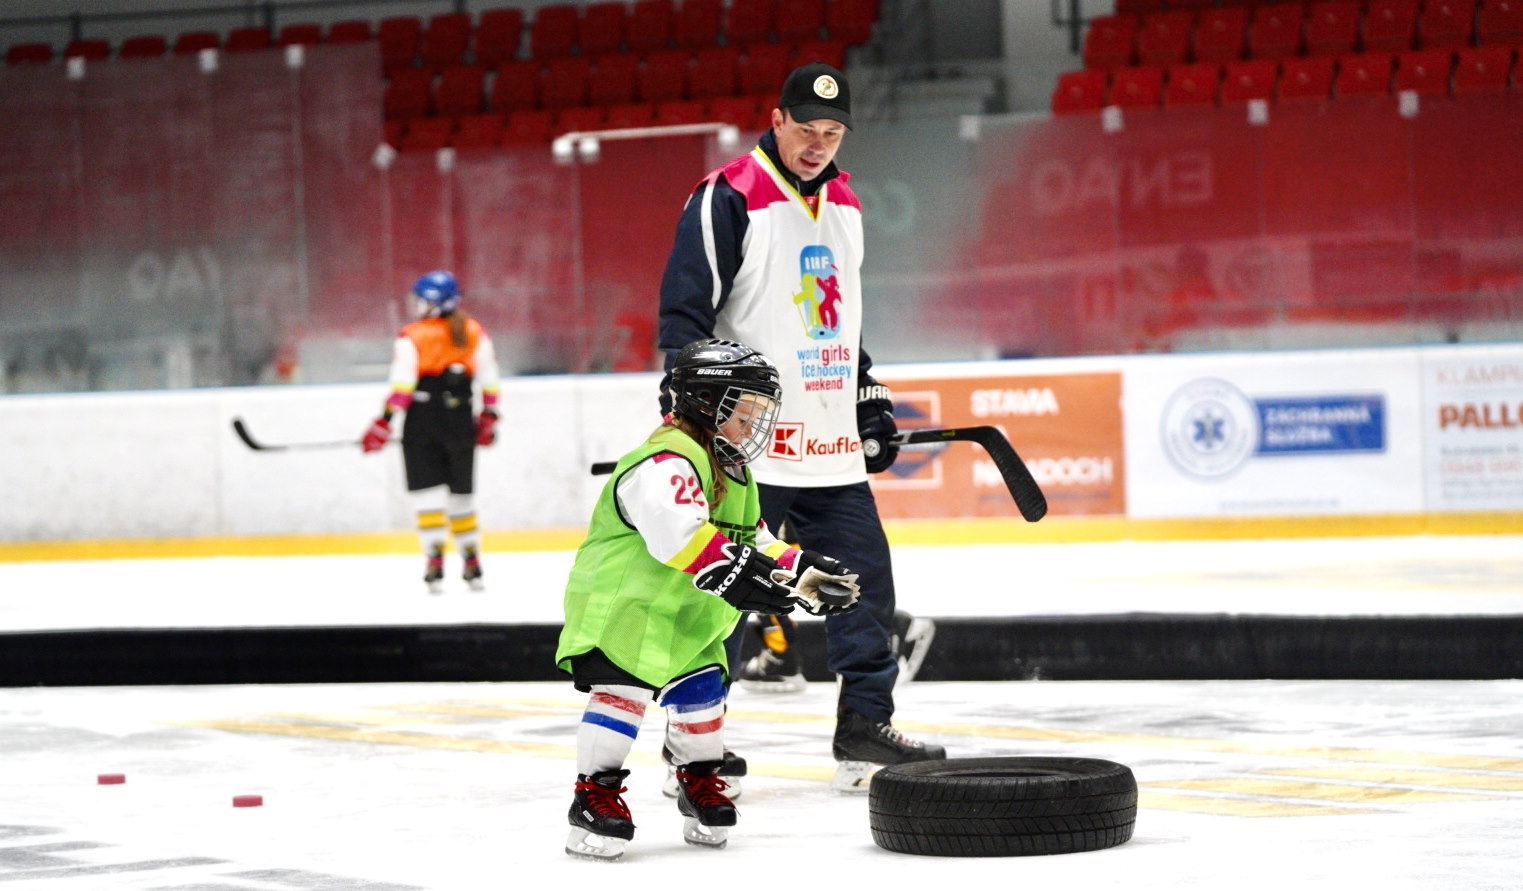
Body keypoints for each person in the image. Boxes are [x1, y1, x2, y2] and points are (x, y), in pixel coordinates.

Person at [655, 62, 947, 793]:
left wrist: (870, 397)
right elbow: (685, 314)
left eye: (833, 132)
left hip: (829, 449)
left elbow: (838, 322)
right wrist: (688, 417)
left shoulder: (846, 201)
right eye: (806, 129)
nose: (818, 145)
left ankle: (862, 731)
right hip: (748, 448)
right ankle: (689, 747)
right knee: (719, 602)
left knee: (865, 593)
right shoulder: (728, 197)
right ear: (777, 119)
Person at [555, 338, 859, 861]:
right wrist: (749, 577)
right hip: (626, 610)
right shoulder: (668, 462)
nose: (754, 423)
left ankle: (697, 783)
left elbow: (754, 538)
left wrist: (799, 569)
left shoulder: (734, 469)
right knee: (622, 698)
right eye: (745, 409)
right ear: (705, 401)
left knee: (702, 702)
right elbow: (681, 538)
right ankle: (594, 795)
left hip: (686, 615)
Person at [361, 271, 501, 595]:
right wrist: (490, 415)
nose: (416, 305)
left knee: (427, 495)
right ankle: (471, 559)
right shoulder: (473, 331)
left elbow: (402, 387)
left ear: (435, 303)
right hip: (459, 421)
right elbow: (490, 380)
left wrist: (383, 422)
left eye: (421, 299)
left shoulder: (413, 336)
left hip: (421, 422)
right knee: (461, 496)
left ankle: (434, 559)